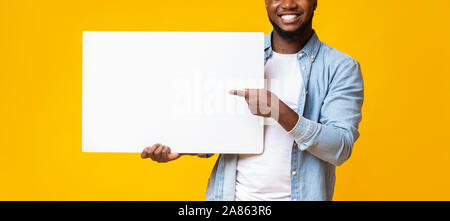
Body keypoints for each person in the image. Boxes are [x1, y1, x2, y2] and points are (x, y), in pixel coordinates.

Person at [141, 0, 364, 201]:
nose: (288, 4)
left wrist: (279, 111)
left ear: (315, 2)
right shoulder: (239, 55)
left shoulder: (340, 68)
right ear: (266, 3)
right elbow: (222, 127)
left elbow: (340, 148)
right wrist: (184, 146)